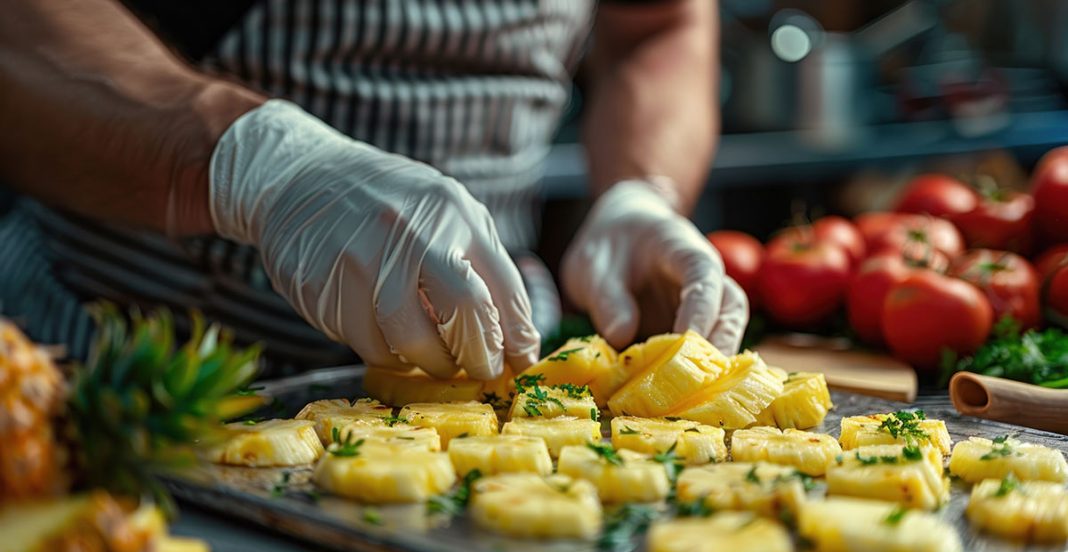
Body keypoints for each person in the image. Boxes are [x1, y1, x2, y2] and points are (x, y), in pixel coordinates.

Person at [0, 0, 748, 379]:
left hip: (481, 370)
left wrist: (640, 188)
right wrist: (263, 166)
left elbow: (660, 26)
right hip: (108, 353)